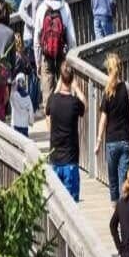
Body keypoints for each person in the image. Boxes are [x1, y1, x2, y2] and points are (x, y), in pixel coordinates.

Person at [95, 52, 129, 204]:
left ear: (109, 71)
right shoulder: (127, 87)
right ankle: (123, 210)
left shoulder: (107, 93)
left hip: (111, 141)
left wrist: (98, 141)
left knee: (113, 180)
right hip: (125, 140)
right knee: (123, 179)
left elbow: (103, 120)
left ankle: (116, 211)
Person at [46, 62, 86, 203]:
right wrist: (76, 88)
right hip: (71, 159)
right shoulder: (75, 103)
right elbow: (84, 103)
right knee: (72, 203)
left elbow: (48, 109)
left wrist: (59, 84)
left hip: (55, 158)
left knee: (57, 202)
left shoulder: (53, 100)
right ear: (72, 79)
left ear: (61, 79)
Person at [8, 63, 33, 136]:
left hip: (15, 123)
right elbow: (31, 110)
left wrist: (12, 85)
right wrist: (31, 121)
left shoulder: (13, 95)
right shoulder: (28, 97)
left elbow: (10, 100)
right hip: (24, 124)